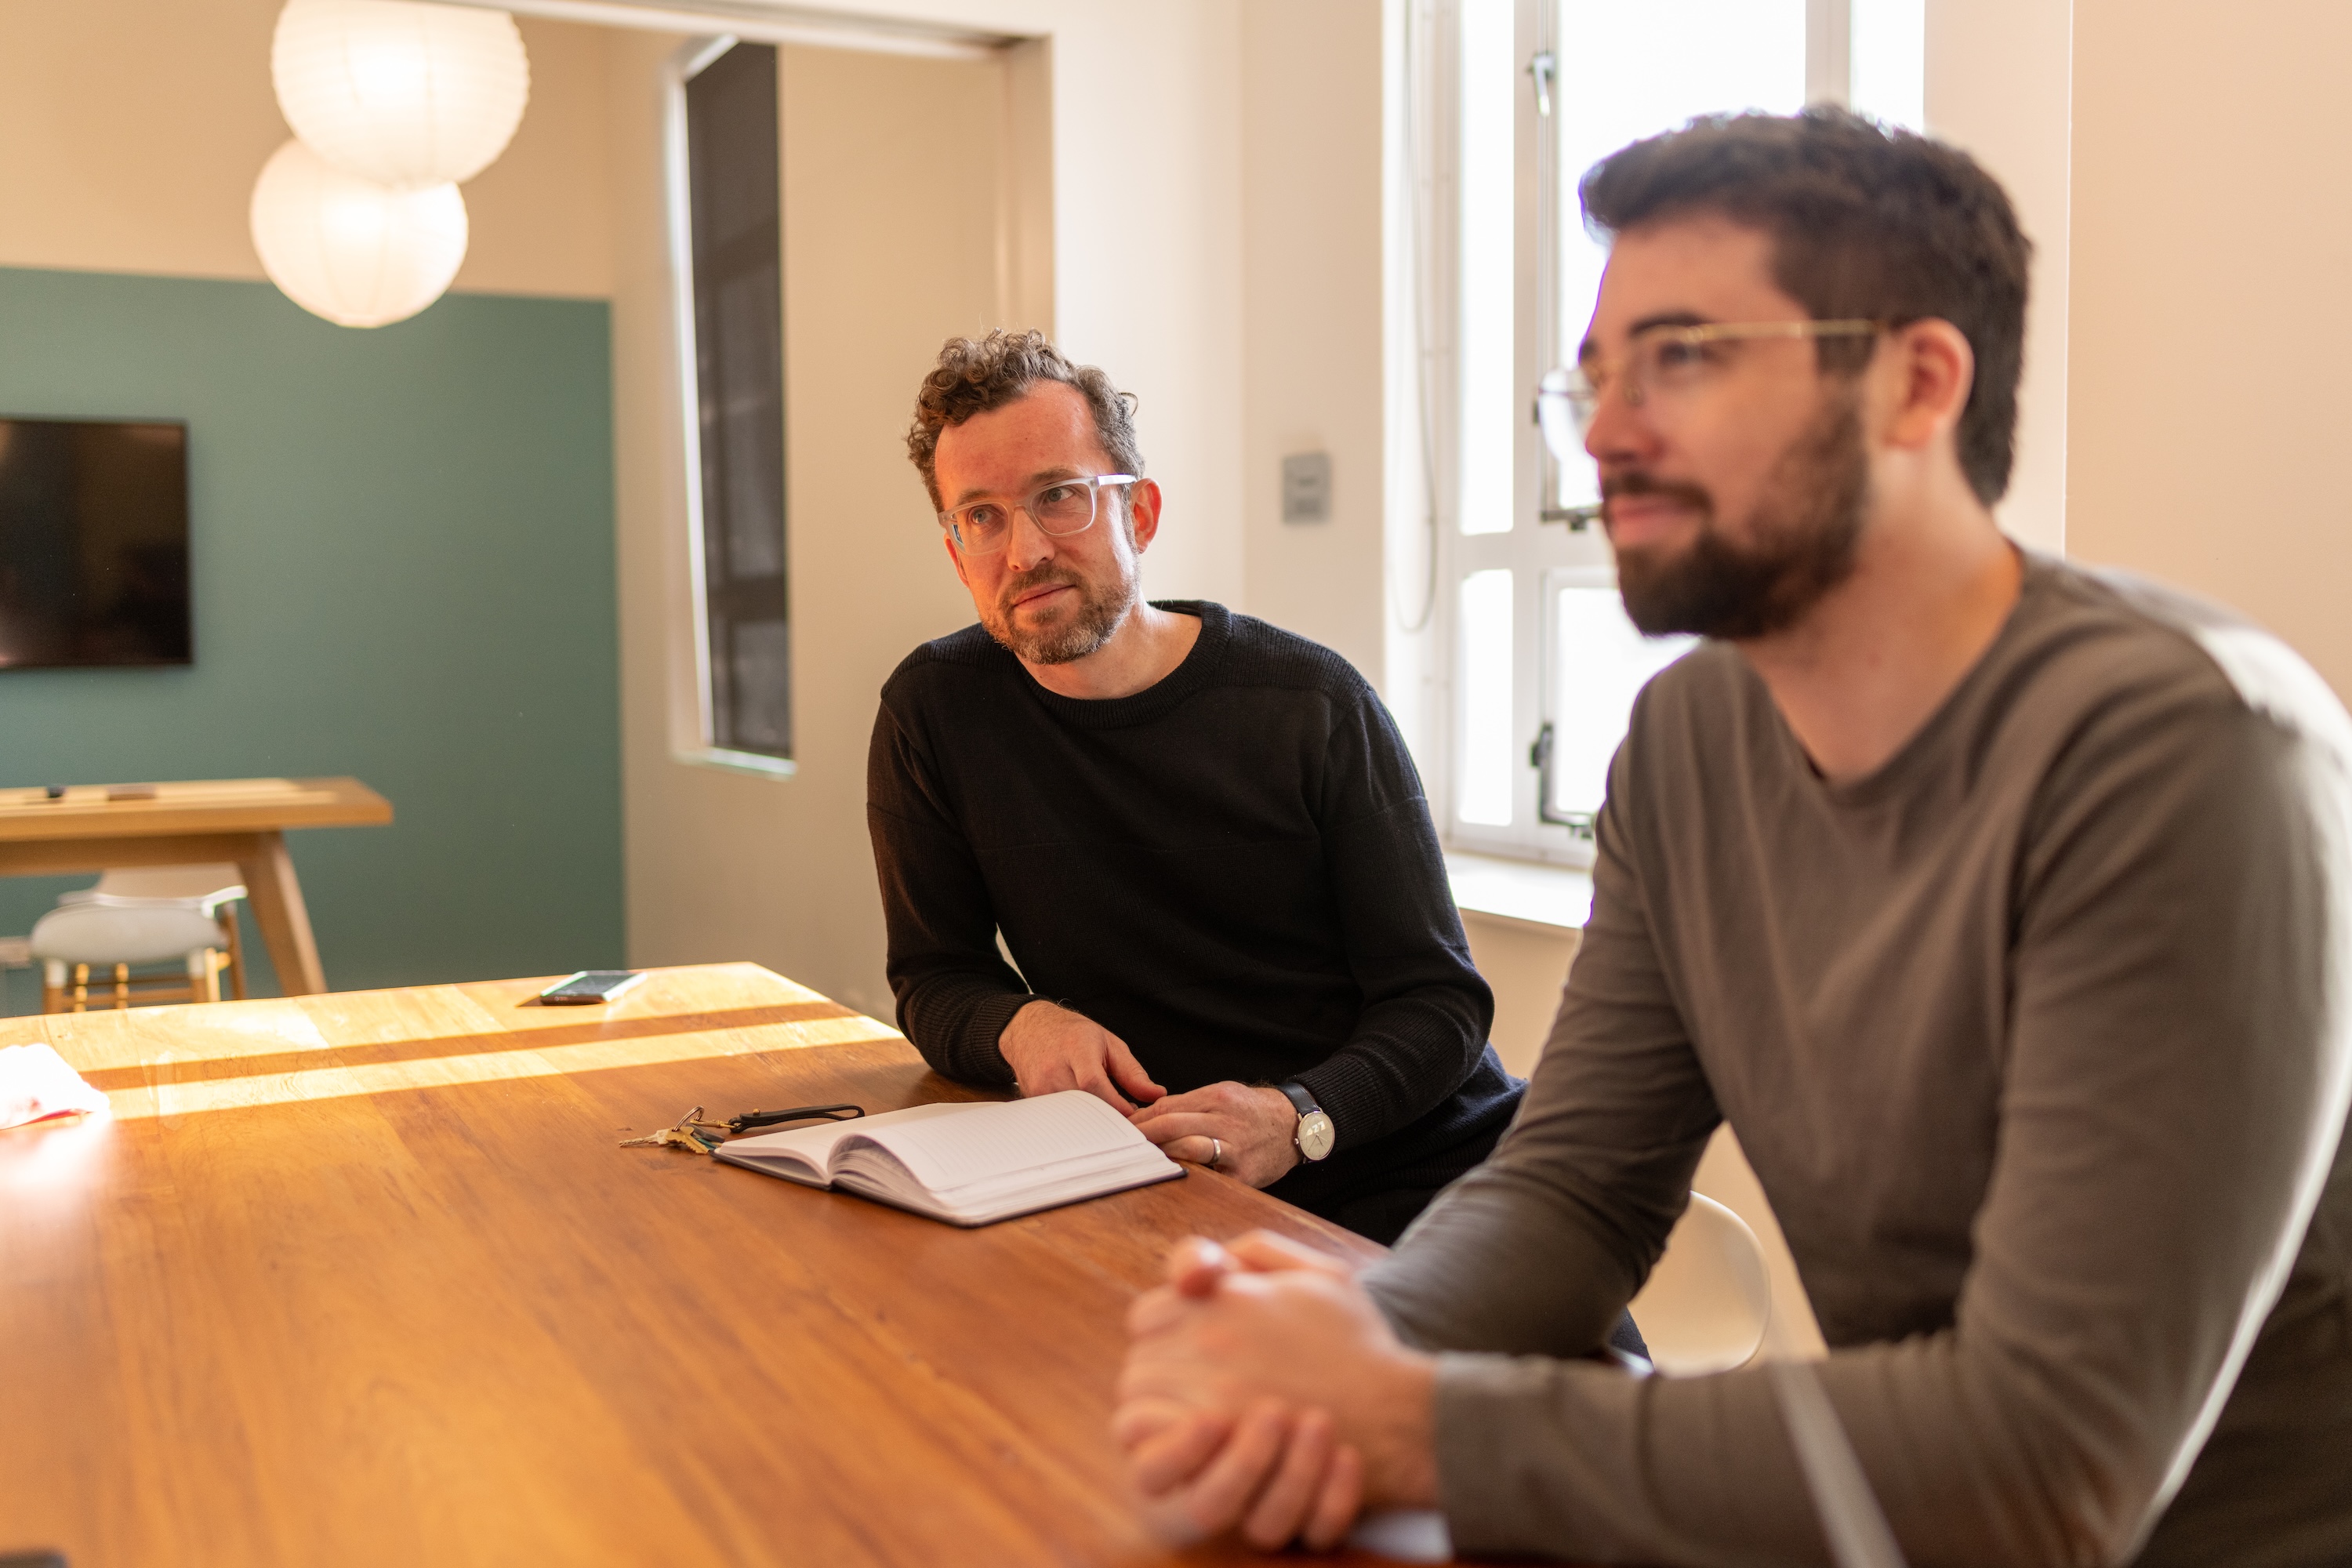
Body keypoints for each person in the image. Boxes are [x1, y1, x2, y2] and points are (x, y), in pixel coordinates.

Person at [1112, 107, 2352, 1566]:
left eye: (1685, 356)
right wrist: (1344, 1345)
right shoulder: (1689, 740)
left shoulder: (2188, 750)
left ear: (1917, 384)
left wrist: (1417, 1423)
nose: (1606, 433)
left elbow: (2048, 1463)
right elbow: (1576, 1190)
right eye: (1595, 377)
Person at [865, 329, 1526, 1246]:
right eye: (982, 516)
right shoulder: (933, 712)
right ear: (956, 551)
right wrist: (1020, 1024)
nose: (1024, 551)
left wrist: (1297, 1116)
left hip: (1420, 1176)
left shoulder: (1311, 704)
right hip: (1170, 1189)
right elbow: (936, 974)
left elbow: (1442, 1005)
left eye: (1059, 496)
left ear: (1139, 512)